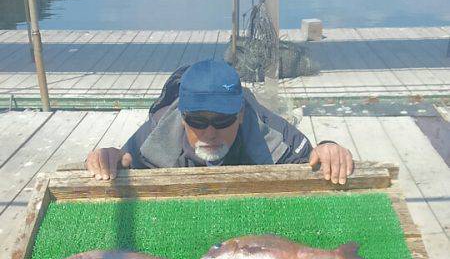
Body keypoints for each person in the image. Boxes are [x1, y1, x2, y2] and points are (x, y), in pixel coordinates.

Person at [86, 59, 354, 184]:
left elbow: (311, 157)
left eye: (223, 120)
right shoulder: (155, 135)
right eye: (197, 121)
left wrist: (328, 148)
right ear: (181, 117)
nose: (210, 132)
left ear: (240, 114)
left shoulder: (270, 131)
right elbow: (123, 161)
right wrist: (108, 157)